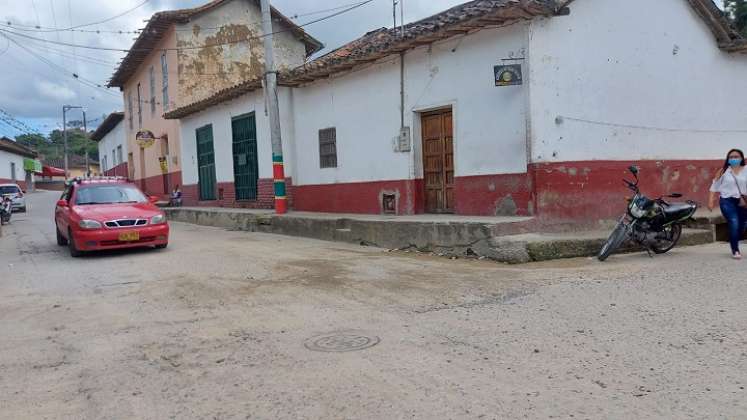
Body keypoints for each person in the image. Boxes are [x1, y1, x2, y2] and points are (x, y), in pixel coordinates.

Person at [708, 149, 747, 259]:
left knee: (742, 225)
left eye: (736, 156)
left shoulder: (746, 170)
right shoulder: (723, 171)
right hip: (727, 201)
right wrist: (711, 201)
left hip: (743, 201)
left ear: (741, 158)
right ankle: (735, 250)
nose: (734, 159)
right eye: (731, 157)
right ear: (728, 159)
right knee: (734, 222)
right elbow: (714, 186)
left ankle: (733, 239)